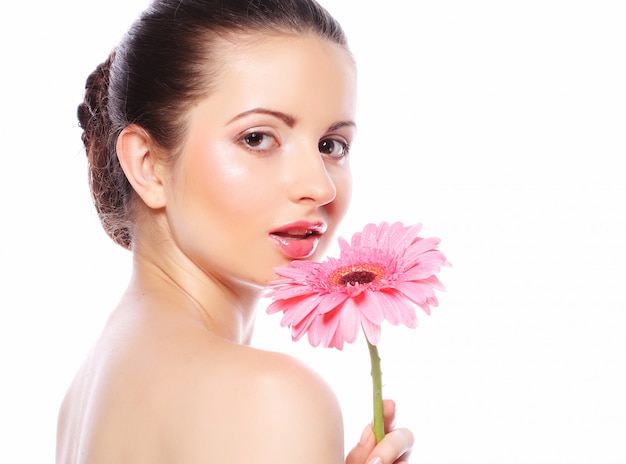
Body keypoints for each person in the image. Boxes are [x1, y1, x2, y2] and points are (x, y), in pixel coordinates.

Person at [56, 0, 414, 462]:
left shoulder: (84, 396)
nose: (319, 186)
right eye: (257, 138)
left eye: (331, 145)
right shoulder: (273, 397)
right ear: (147, 165)